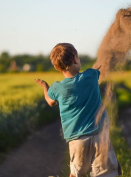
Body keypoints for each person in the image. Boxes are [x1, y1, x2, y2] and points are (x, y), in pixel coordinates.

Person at [35, 43, 121, 177]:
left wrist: (45, 86)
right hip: (100, 136)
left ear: (57, 67)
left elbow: (50, 101)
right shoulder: (91, 75)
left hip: (77, 140)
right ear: (75, 59)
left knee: (76, 174)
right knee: (106, 173)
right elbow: (99, 68)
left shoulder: (57, 88)